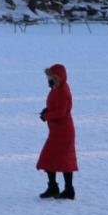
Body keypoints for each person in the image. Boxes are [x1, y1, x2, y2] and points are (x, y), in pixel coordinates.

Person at [37, 64, 77, 200]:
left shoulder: (63, 91)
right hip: (56, 131)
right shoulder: (56, 89)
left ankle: (68, 190)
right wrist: (47, 111)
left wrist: (46, 116)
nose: (48, 80)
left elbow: (61, 112)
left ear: (57, 77)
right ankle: (54, 187)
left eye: (50, 77)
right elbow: (55, 107)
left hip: (63, 131)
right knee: (49, 157)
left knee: (64, 159)